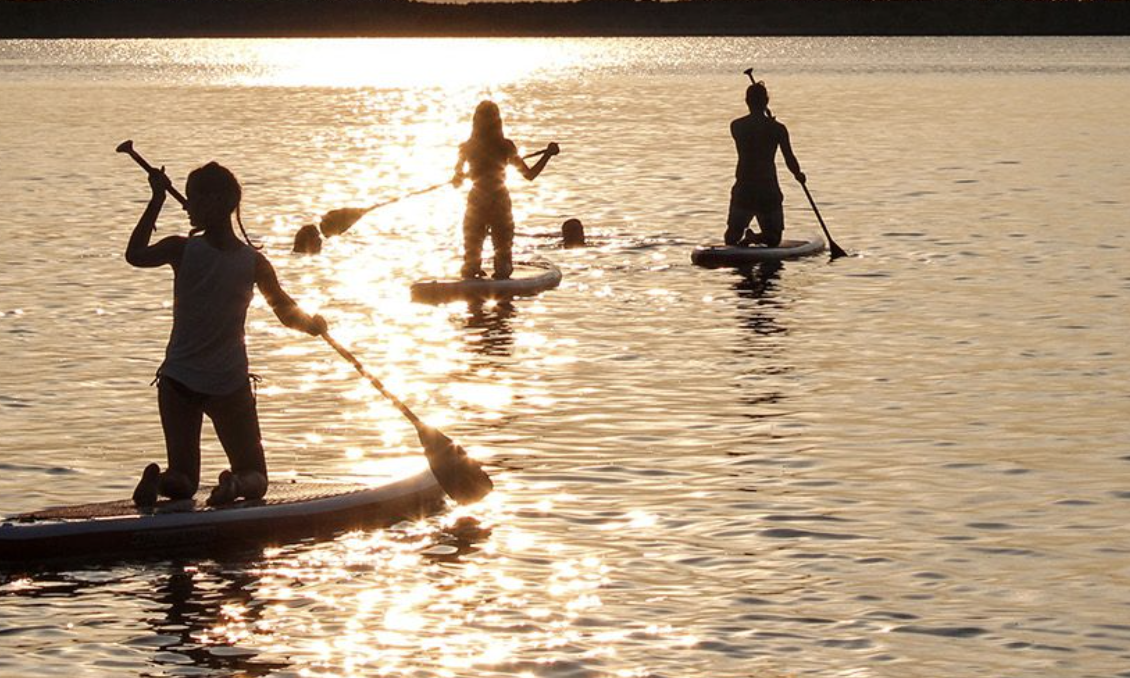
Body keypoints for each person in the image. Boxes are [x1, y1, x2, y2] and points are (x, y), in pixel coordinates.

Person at [126, 161, 327, 507]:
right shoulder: (253, 262)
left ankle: (160, 481)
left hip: (178, 382)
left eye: (195, 200)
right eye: (186, 199)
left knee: (184, 481)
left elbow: (135, 255)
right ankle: (234, 484)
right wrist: (312, 326)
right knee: (257, 478)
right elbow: (285, 312)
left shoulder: (180, 249)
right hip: (228, 385)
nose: (188, 207)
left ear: (221, 202)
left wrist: (157, 199)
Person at [453, 100, 559, 280]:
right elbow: (530, 175)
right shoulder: (506, 147)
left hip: (476, 201)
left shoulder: (466, 147)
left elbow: (457, 180)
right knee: (503, 259)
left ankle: (473, 275)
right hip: (499, 202)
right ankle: (500, 276)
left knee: (471, 255)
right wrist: (548, 155)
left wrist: (461, 176)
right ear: (498, 121)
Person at [725, 79, 806, 248]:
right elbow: (789, 157)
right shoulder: (777, 129)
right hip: (766, 188)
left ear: (747, 101)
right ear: (766, 101)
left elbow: (755, 132)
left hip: (744, 187)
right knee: (773, 239)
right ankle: (755, 238)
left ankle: (751, 239)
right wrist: (798, 174)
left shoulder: (737, 126)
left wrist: (766, 120)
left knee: (731, 238)